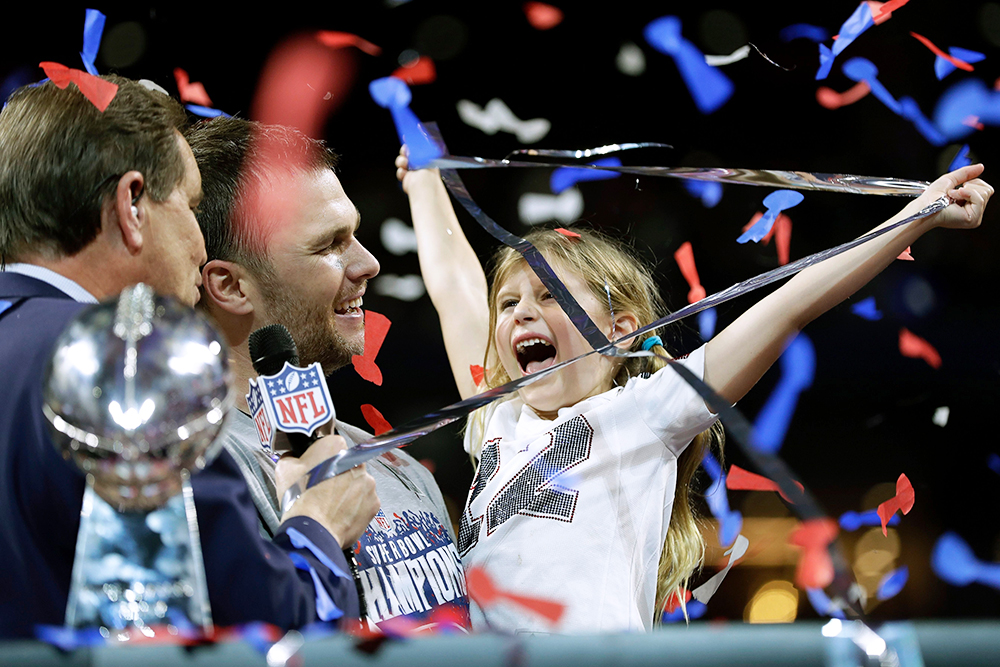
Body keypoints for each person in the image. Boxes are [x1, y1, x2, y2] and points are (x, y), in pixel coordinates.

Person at [396, 149, 992, 632]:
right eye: (510, 303)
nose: (522, 314)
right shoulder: (498, 422)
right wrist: (424, 183)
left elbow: (792, 303)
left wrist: (919, 213)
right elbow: (455, 291)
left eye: (551, 295)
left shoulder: (645, 412)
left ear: (621, 330)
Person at [0, 76, 378, 638]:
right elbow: (260, 623)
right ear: (132, 205)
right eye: (189, 204)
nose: (201, 246)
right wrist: (319, 525)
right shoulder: (127, 360)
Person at [185, 116, 470, 631]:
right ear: (229, 286)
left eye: (354, 235)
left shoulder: (405, 471)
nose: (368, 264)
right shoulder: (203, 476)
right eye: (329, 245)